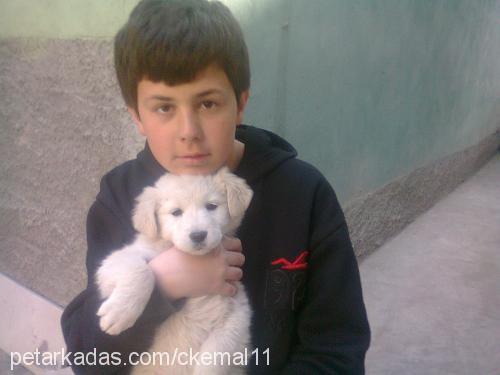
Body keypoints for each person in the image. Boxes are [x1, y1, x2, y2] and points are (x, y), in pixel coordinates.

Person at [60, 0, 371, 374]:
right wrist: (160, 286)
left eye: (207, 103)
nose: (188, 131)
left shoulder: (304, 194)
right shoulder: (120, 197)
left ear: (240, 105)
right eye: (164, 108)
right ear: (137, 116)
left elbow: (336, 348)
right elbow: (89, 356)